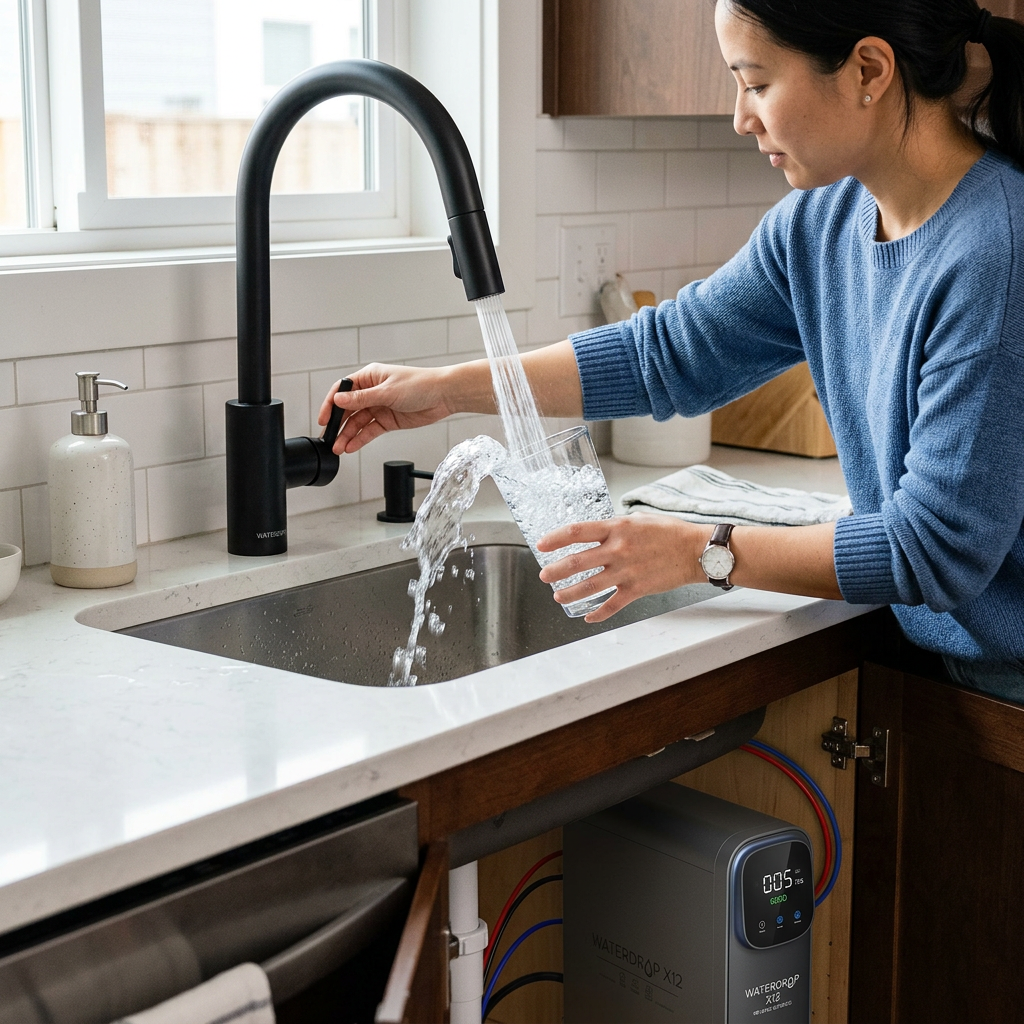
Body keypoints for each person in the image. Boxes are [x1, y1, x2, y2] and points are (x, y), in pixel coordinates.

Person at [318, 1, 1024, 702]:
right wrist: (450, 389)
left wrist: (696, 550)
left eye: (756, 83)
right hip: (954, 669)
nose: (742, 117)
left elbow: (933, 549)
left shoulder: (995, 252)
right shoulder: (822, 224)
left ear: (868, 68)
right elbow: (668, 354)